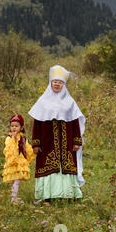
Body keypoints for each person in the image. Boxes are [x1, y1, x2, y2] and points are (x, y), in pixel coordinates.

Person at [29, 65, 86, 203]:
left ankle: (68, 195)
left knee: (66, 168)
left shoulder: (70, 102)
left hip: (66, 145)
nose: (57, 84)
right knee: (48, 169)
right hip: (47, 143)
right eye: (55, 82)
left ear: (63, 84)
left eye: (60, 82)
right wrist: (36, 143)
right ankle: (47, 198)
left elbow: (74, 122)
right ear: (51, 82)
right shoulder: (42, 102)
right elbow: (37, 123)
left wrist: (77, 141)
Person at [3, 114, 36, 203]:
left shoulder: (23, 138)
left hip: (20, 162)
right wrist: (14, 139)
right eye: (12, 126)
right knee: (15, 181)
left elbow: (27, 148)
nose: (14, 128)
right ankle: (13, 199)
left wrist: (33, 152)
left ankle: (13, 197)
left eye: (16, 126)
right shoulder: (9, 138)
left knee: (16, 181)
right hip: (13, 162)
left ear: (21, 127)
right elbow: (9, 149)